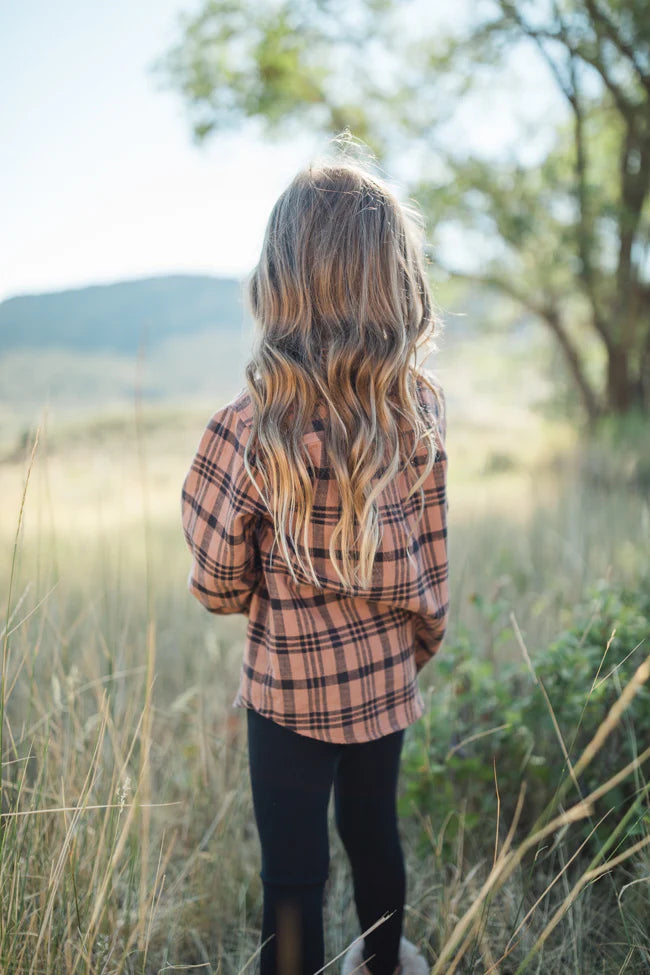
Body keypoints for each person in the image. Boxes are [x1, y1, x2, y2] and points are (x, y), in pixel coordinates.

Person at [181, 137, 449, 975]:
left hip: (285, 696)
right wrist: (411, 653)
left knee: (292, 874)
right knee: (377, 838)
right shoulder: (420, 415)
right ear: (392, 282)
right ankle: (384, 961)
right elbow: (431, 571)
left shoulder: (248, 427)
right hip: (382, 684)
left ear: (279, 283)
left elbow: (218, 580)